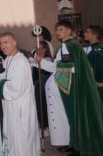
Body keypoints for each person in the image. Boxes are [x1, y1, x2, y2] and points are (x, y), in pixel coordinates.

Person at [49, 20, 103, 155]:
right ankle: (76, 145)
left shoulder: (69, 45)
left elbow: (68, 67)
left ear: (69, 31)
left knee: (75, 116)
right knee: (75, 116)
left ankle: (80, 147)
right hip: (75, 85)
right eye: (57, 30)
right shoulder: (72, 45)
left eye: (61, 29)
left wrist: (40, 63)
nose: (58, 32)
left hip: (73, 87)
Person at [0, 33, 40, 155]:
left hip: (20, 107)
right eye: (1, 43)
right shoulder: (8, 59)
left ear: (14, 43)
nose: (3, 46)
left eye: (6, 42)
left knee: (22, 139)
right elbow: (4, 76)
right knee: (13, 138)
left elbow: (16, 88)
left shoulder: (20, 61)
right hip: (10, 106)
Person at [36, 40, 70, 149]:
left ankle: (66, 141)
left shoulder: (67, 53)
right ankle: (60, 141)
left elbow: (56, 68)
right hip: (51, 91)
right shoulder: (57, 61)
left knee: (62, 117)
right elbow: (54, 67)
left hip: (60, 91)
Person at [83, 25, 103, 101]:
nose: (84, 34)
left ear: (95, 35)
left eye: (87, 32)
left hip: (97, 88)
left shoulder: (99, 50)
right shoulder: (85, 47)